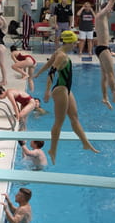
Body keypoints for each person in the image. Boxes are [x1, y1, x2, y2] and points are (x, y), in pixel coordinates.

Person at [33, 29, 99, 164]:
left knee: (74, 117)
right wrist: (46, 91)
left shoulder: (59, 52)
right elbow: (52, 72)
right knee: (59, 122)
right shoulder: (61, 56)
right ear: (69, 42)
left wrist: (38, 72)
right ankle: (53, 150)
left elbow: (48, 64)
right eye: (74, 43)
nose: (75, 45)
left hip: (66, 89)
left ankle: (85, 143)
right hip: (61, 90)